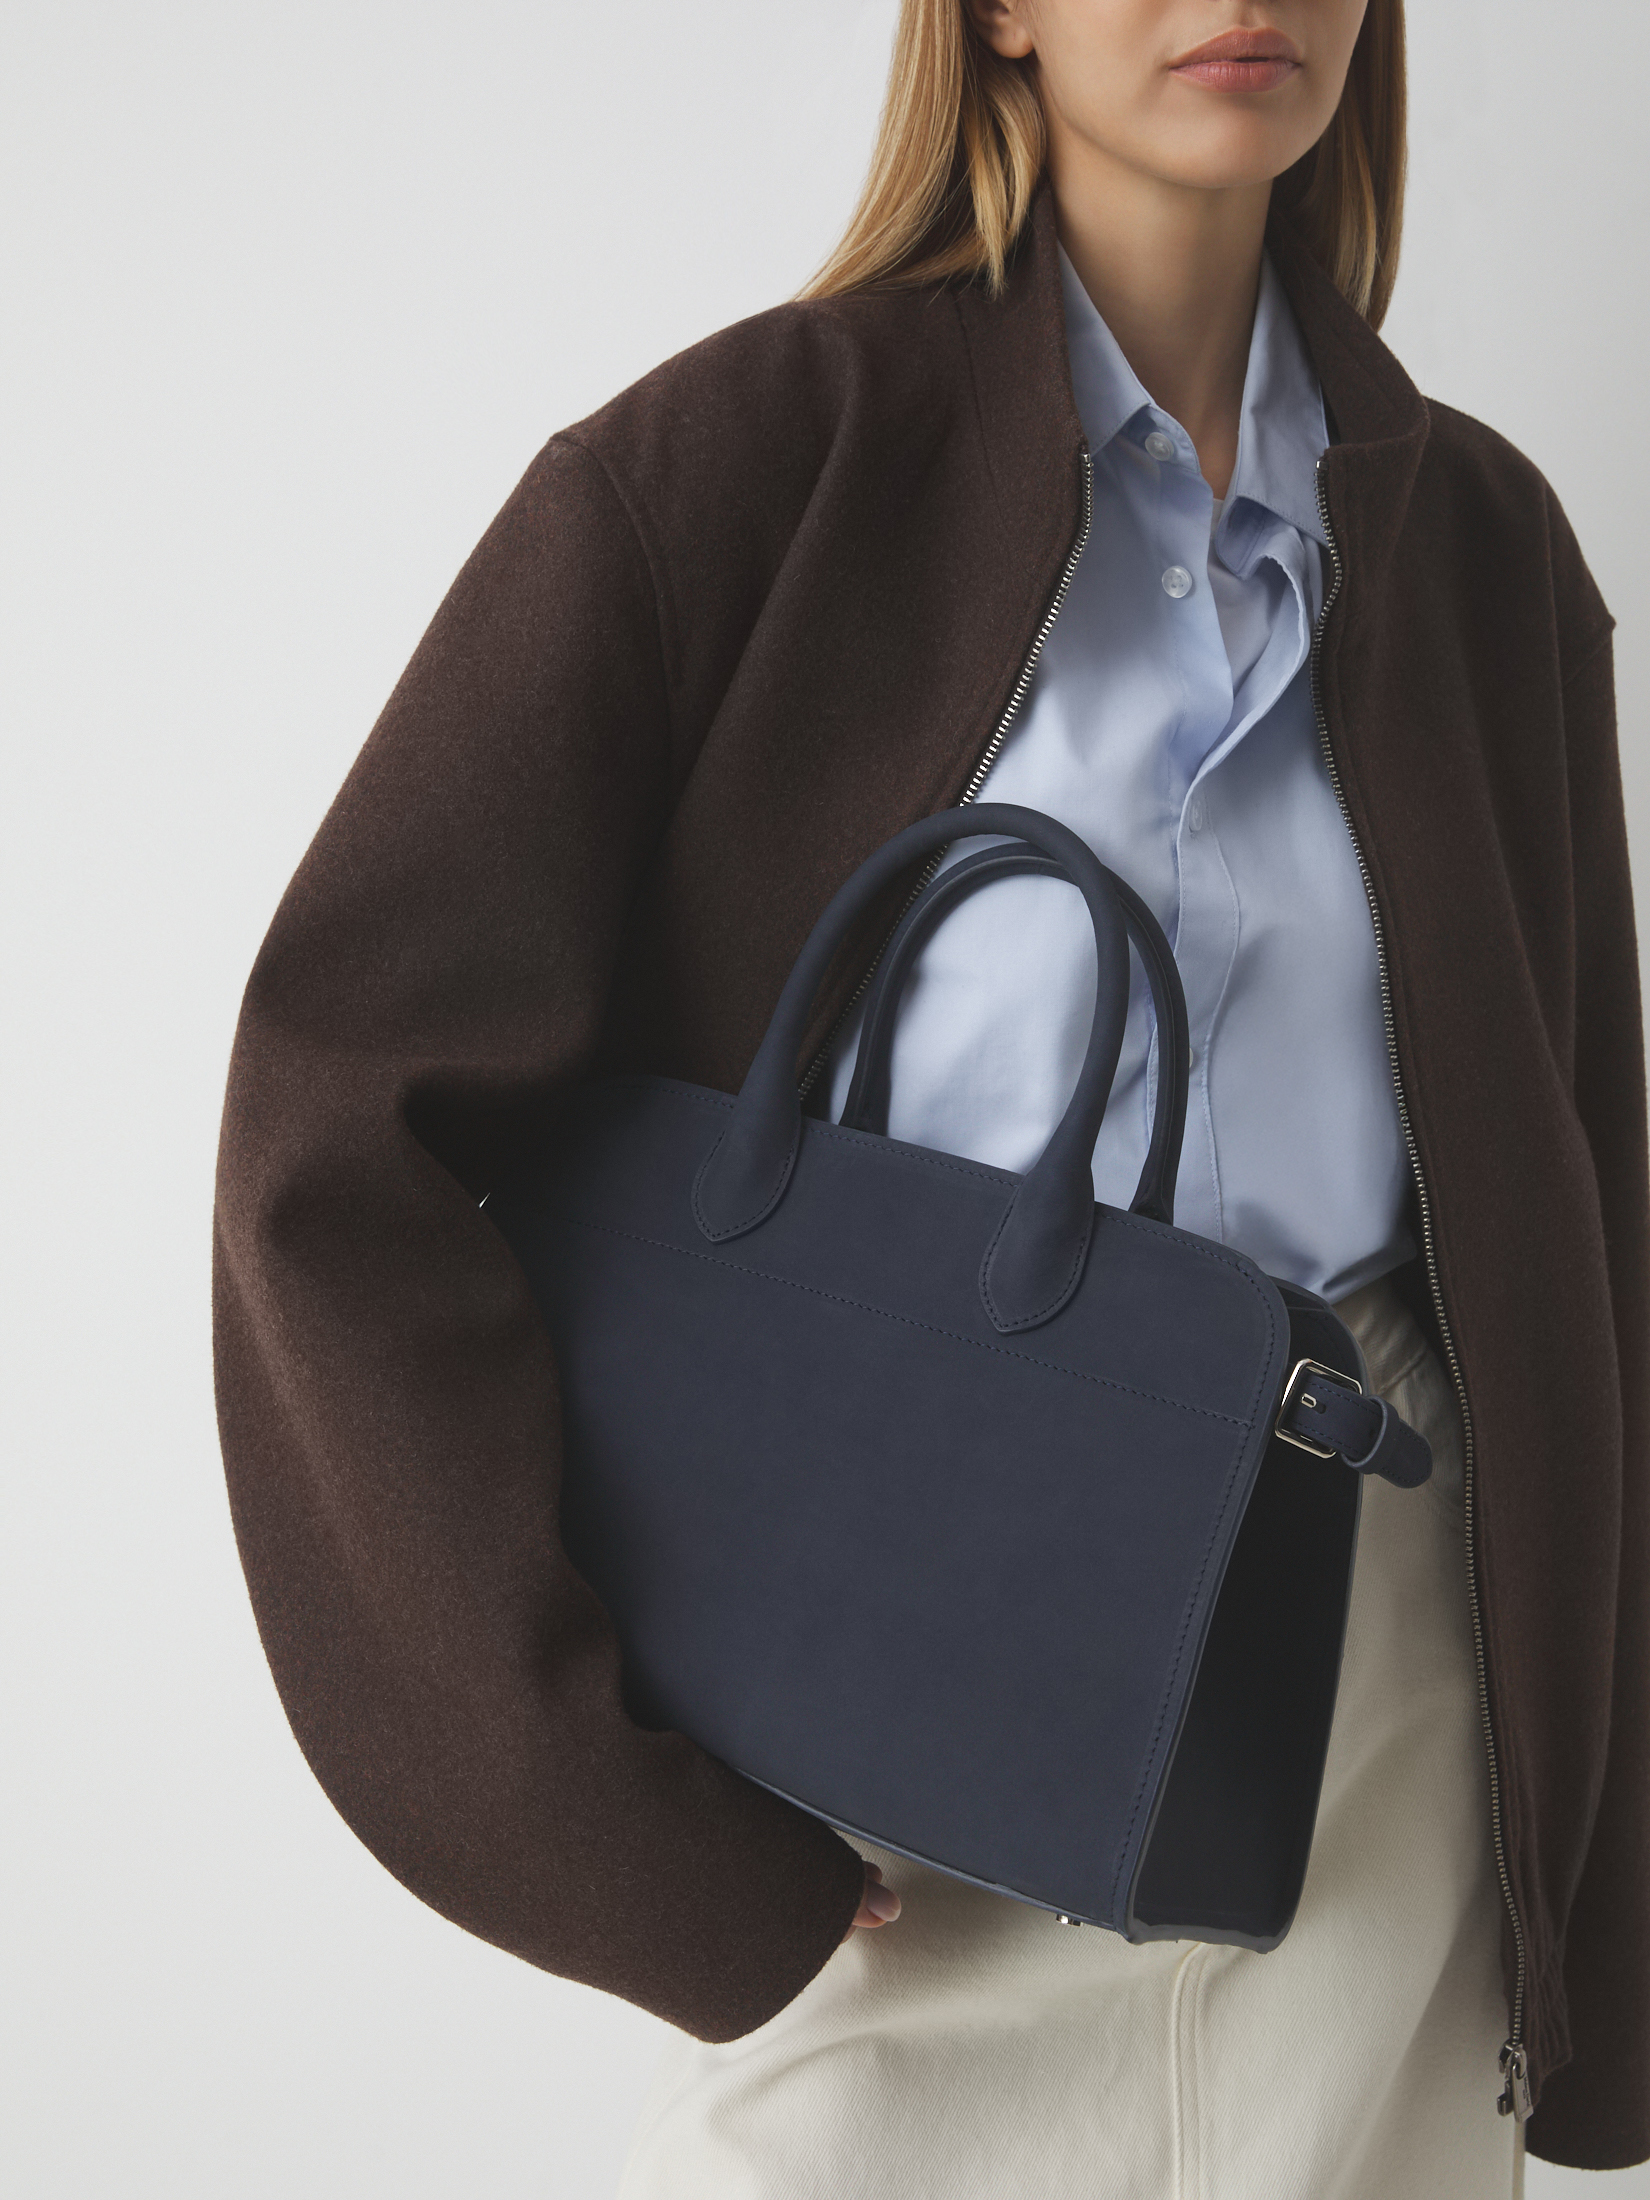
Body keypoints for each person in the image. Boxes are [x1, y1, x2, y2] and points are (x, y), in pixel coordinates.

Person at [212, 0, 1648, 2189]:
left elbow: (1596, 1241)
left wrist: (1596, 1920)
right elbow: (337, 1144)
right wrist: (607, 1819)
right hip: (886, 1791)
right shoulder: (733, 474)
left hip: (1381, 1775)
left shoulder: (1485, 557)